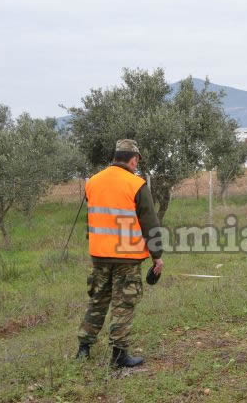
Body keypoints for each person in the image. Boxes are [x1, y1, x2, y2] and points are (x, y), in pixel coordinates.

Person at [76, 139, 164, 368]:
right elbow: (150, 223)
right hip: (127, 255)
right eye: (137, 161)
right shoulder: (136, 184)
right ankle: (119, 355)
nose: (137, 165)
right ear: (133, 159)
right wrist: (157, 256)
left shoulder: (92, 182)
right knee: (123, 303)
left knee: (98, 300)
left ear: (116, 157)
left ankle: (83, 349)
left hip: (99, 254)